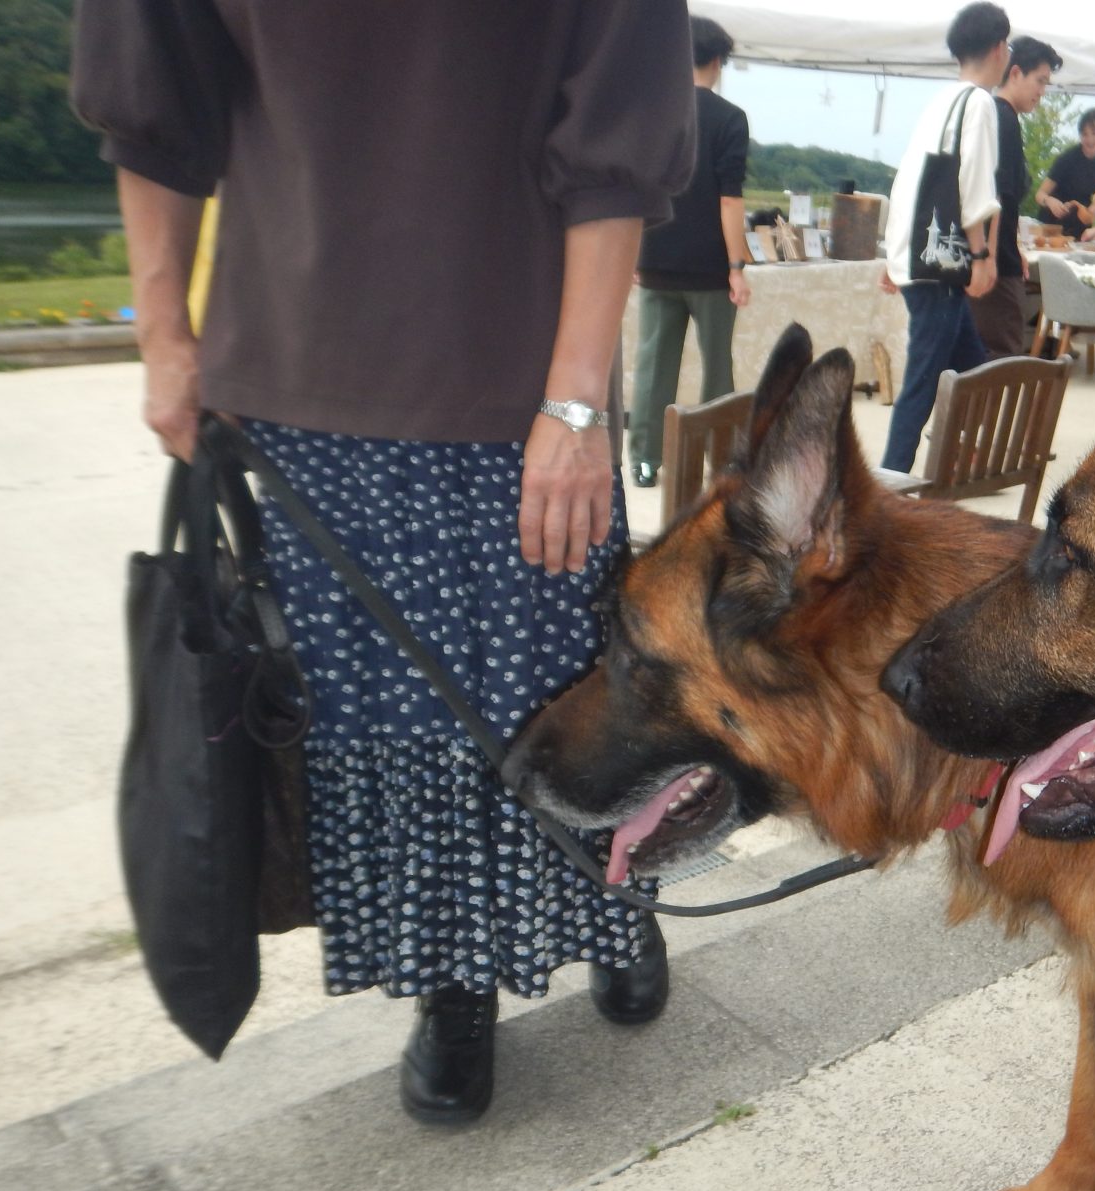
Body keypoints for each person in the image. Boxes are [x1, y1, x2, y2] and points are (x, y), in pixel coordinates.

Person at [71, 2, 696, 1125]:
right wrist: (161, 335)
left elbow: (617, 124)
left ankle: (617, 905)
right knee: (389, 725)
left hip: (526, 373)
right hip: (304, 370)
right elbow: (155, 99)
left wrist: (575, 393)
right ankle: (452, 988)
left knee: (573, 692)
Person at [880, 2, 1006, 474]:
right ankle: (890, 479)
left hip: (919, 257)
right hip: (940, 261)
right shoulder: (978, 103)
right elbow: (972, 185)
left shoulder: (941, 101)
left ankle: (972, 455)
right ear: (999, 49)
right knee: (924, 378)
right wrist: (981, 254)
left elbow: (908, 180)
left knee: (971, 364)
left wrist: (894, 257)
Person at [628, 16, 752, 489]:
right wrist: (737, 265)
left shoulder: (653, 112)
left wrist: (636, 253)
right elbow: (730, 198)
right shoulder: (730, 118)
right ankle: (721, 461)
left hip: (656, 256)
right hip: (710, 268)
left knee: (653, 367)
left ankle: (644, 459)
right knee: (717, 366)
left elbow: (637, 189)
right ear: (718, 61)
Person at [970, 35, 1058, 358]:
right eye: (1040, 81)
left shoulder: (1000, 116)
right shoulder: (1002, 118)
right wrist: (990, 256)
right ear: (1016, 72)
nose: (1042, 92)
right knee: (1001, 355)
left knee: (989, 354)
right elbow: (995, 195)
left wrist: (1015, 245)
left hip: (999, 254)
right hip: (994, 265)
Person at [1037, 109, 1095, 239]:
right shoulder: (1066, 159)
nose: (1090, 139)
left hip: (1080, 219)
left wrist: (1092, 209)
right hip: (1053, 219)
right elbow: (1040, 194)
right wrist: (1050, 201)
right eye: (1084, 134)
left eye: (1094, 133)